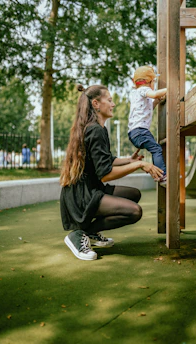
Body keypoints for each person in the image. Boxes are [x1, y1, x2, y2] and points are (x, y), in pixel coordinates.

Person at [60, 84, 163, 261]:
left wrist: (129, 161)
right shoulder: (96, 130)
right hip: (82, 196)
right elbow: (105, 174)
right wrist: (140, 166)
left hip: (90, 189)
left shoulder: (98, 128)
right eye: (109, 100)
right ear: (96, 104)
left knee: (134, 194)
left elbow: (106, 159)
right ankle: (79, 234)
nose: (113, 104)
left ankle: (89, 234)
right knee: (134, 211)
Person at [128, 65, 167, 184]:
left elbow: (149, 108)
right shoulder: (143, 90)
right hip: (140, 130)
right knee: (156, 149)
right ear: (149, 82)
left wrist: (156, 101)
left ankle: (156, 175)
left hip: (133, 132)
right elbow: (154, 94)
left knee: (154, 149)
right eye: (154, 81)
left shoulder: (135, 93)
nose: (154, 84)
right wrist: (170, 89)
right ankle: (162, 175)